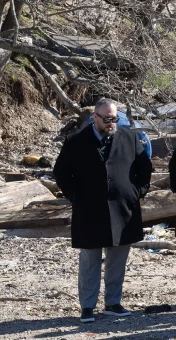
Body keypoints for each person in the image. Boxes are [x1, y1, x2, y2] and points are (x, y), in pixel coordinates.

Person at [53, 97, 153, 323]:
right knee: (90, 258)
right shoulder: (76, 141)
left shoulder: (130, 138)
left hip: (123, 209)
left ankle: (113, 303)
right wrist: (76, 197)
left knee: (118, 257)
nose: (111, 123)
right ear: (95, 117)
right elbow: (61, 173)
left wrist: (138, 192)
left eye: (115, 118)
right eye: (107, 119)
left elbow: (144, 169)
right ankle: (87, 307)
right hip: (89, 210)